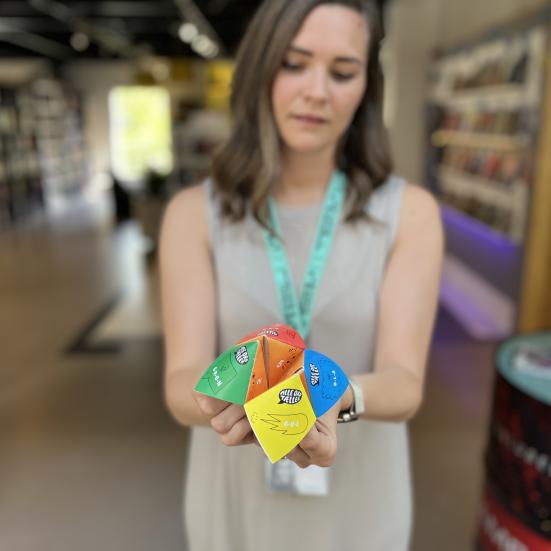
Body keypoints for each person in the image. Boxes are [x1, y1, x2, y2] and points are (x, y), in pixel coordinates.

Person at [160, 0, 444, 549]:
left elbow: (405, 383)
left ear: (366, 86)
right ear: (262, 68)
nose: (317, 91)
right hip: (236, 490)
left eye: (342, 72)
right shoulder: (195, 214)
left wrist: (337, 395)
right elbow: (180, 382)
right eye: (294, 64)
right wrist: (233, 398)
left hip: (361, 493)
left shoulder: (408, 214)